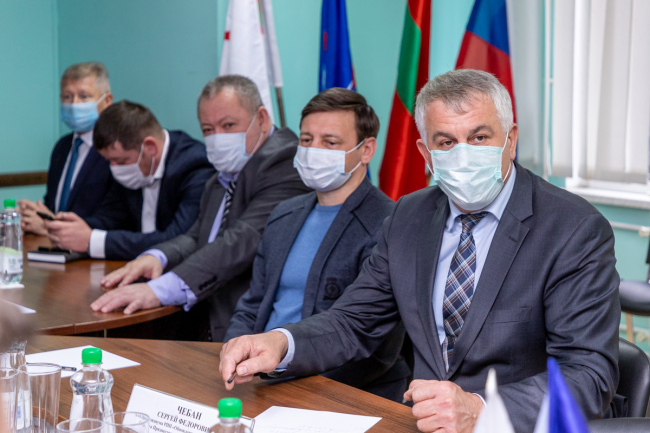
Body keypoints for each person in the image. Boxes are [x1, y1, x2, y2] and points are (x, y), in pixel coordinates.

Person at [219, 70, 620, 433]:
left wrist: (480, 409)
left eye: (479, 138)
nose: (463, 153)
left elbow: (588, 374)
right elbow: (355, 321)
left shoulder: (573, 228)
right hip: (418, 425)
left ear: (510, 140)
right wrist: (281, 343)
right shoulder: (408, 216)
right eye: (446, 141)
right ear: (426, 154)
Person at [90, 75, 311, 342]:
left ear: (262, 119)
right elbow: (198, 235)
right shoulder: (225, 172)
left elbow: (241, 240)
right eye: (208, 129)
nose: (218, 138)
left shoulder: (284, 162)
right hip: (204, 313)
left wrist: (159, 290)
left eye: (228, 125)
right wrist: (157, 257)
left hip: (252, 327)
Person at [225, 88, 410, 401]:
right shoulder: (284, 213)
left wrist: (284, 378)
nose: (313, 150)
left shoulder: (390, 223)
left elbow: (372, 341)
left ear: (366, 150)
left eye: (330, 142)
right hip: (258, 379)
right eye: (307, 139)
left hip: (335, 391)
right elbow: (253, 303)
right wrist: (233, 352)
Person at [45, 100, 215, 260]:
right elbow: (110, 217)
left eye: (121, 161)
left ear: (150, 147)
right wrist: (71, 228)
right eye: (109, 161)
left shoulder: (195, 165)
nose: (115, 168)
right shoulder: (130, 170)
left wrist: (93, 240)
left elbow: (178, 239)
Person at [19, 62, 114, 236]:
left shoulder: (116, 149)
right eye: (67, 97)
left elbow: (114, 219)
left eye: (84, 97)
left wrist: (50, 225)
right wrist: (32, 215)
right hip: (52, 247)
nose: (74, 104)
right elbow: (52, 206)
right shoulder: (62, 147)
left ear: (107, 101)